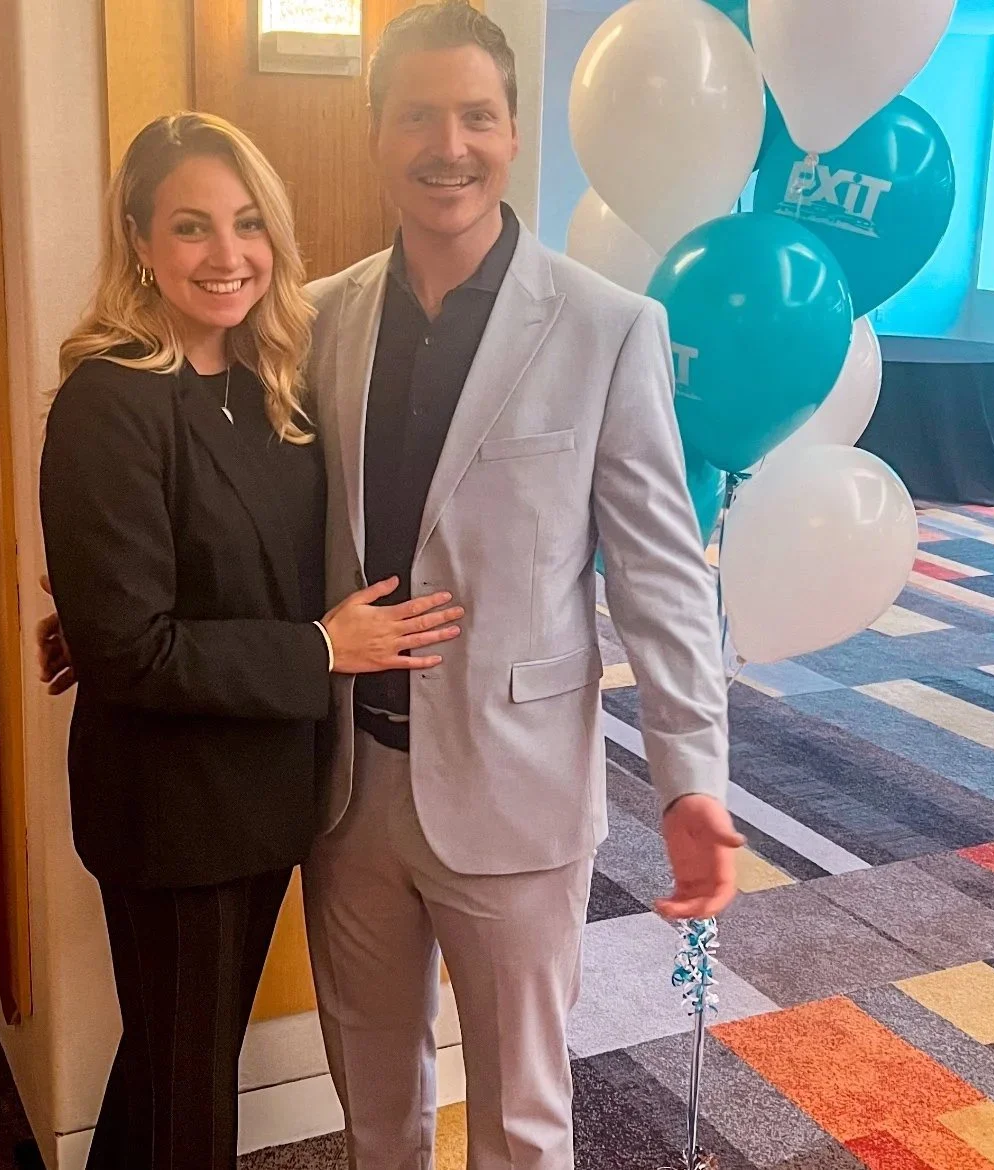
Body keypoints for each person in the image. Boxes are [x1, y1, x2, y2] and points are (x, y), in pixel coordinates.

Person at [299, 4, 743, 1168]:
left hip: (518, 790)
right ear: (377, 132)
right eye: (418, 116)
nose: (448, 144)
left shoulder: (606, 329)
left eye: (477, 116)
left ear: (511, 133)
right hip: (345, 791)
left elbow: (660, 574)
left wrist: (692, 770)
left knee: (522, 1124)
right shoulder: (318, 321)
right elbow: (263, 524)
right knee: (374, 1114)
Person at [38, 111, 462, 1170]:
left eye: (246, 225)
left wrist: (97, 616)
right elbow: (136, 648)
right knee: (191, 1107)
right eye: (191, 227)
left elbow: (241, 568)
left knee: (173, 1063)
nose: (227, 256)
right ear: (138, 240)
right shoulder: (109, 400)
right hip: (174, 810)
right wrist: (323, 651)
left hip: (267, 792)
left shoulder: (269, 384)